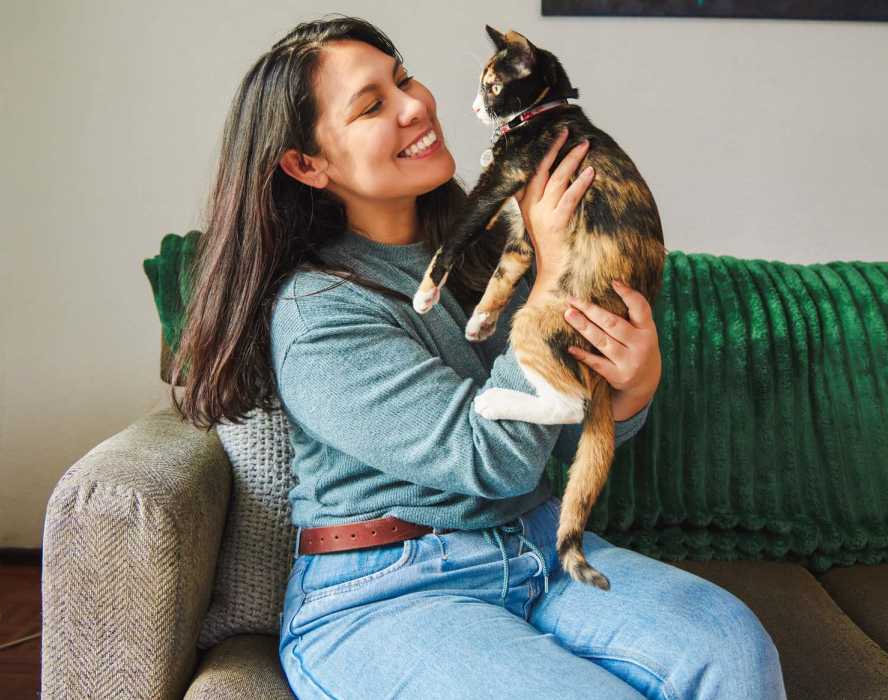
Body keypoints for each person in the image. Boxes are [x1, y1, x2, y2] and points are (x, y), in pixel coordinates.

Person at [170, 14, 786, 700]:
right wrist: (553, 272)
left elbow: (563, 433)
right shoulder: (319, 312)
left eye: (403, 77)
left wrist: (631, 389)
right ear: (307, 164)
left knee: (730, 645)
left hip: (543, 548)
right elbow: (491, 458)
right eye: (374, 104)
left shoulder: (493, 251)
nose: (415, 105)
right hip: (390, 590)